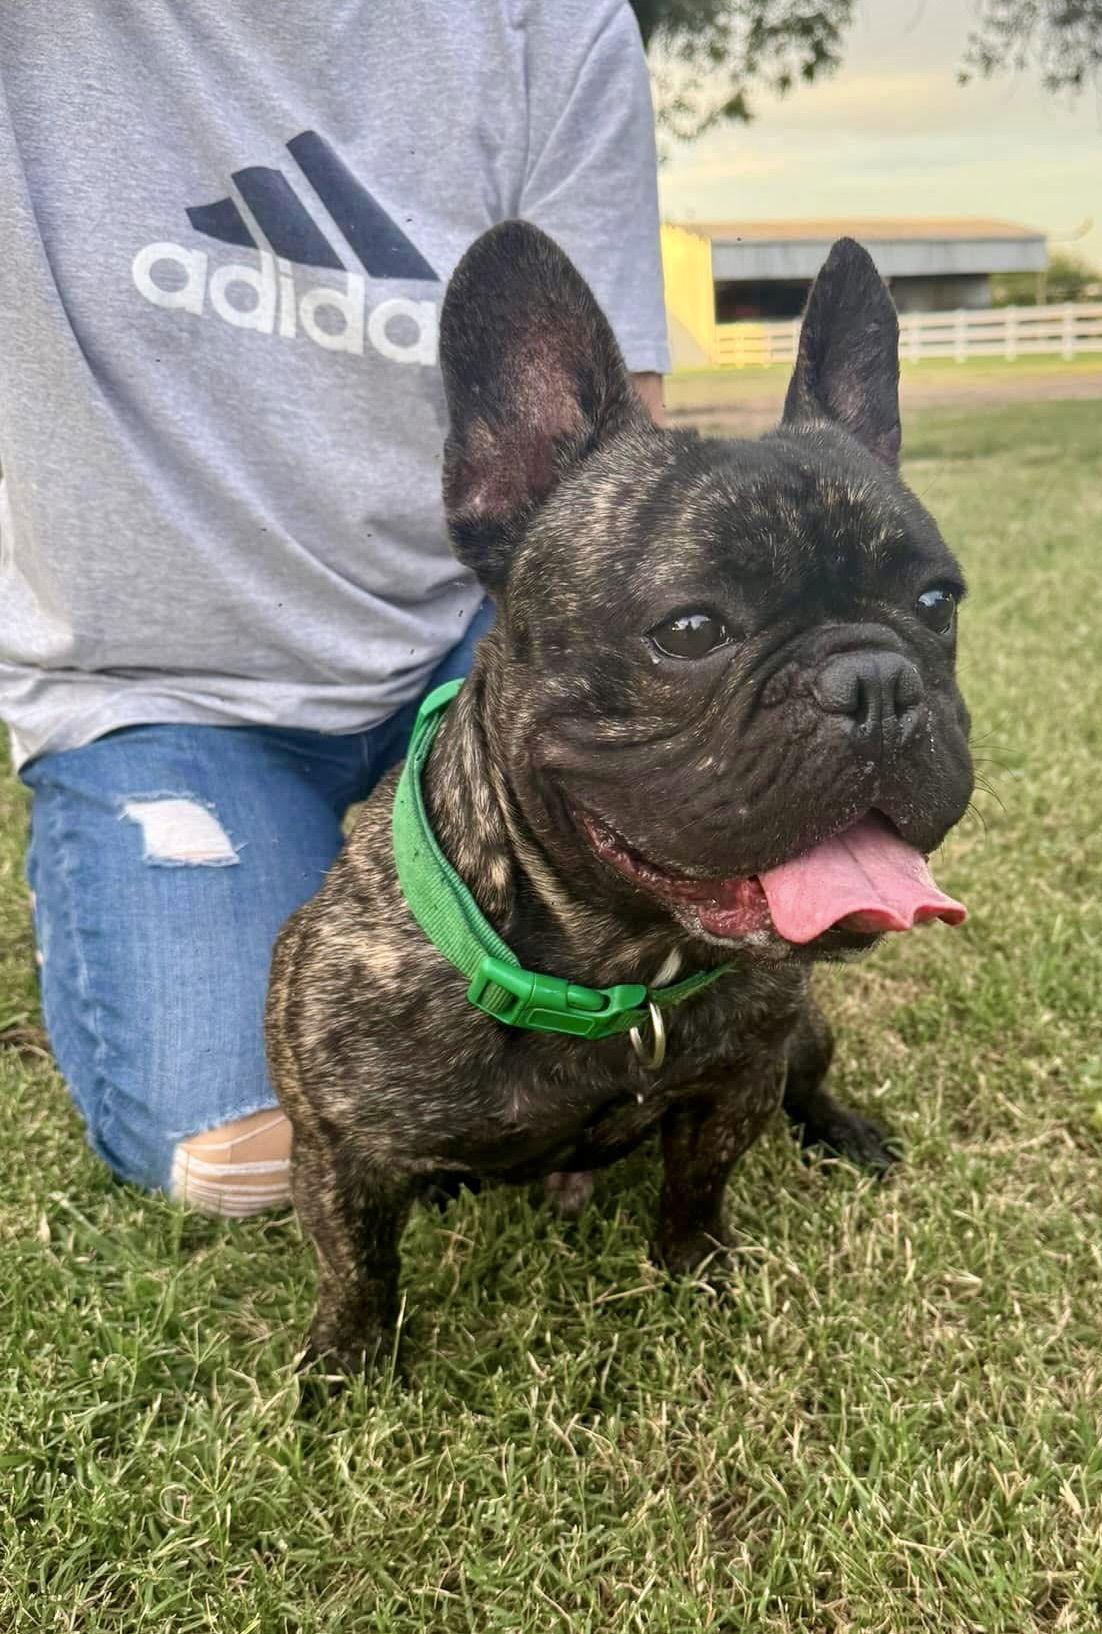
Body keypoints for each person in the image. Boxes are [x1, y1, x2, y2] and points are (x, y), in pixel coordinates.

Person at [0, 3, 670, 1217]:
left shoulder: (550, 25)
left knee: (629, 1049)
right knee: (248, 1154)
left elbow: (618, 476)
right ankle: (135, 872)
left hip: (467, 648)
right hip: (166, 688)